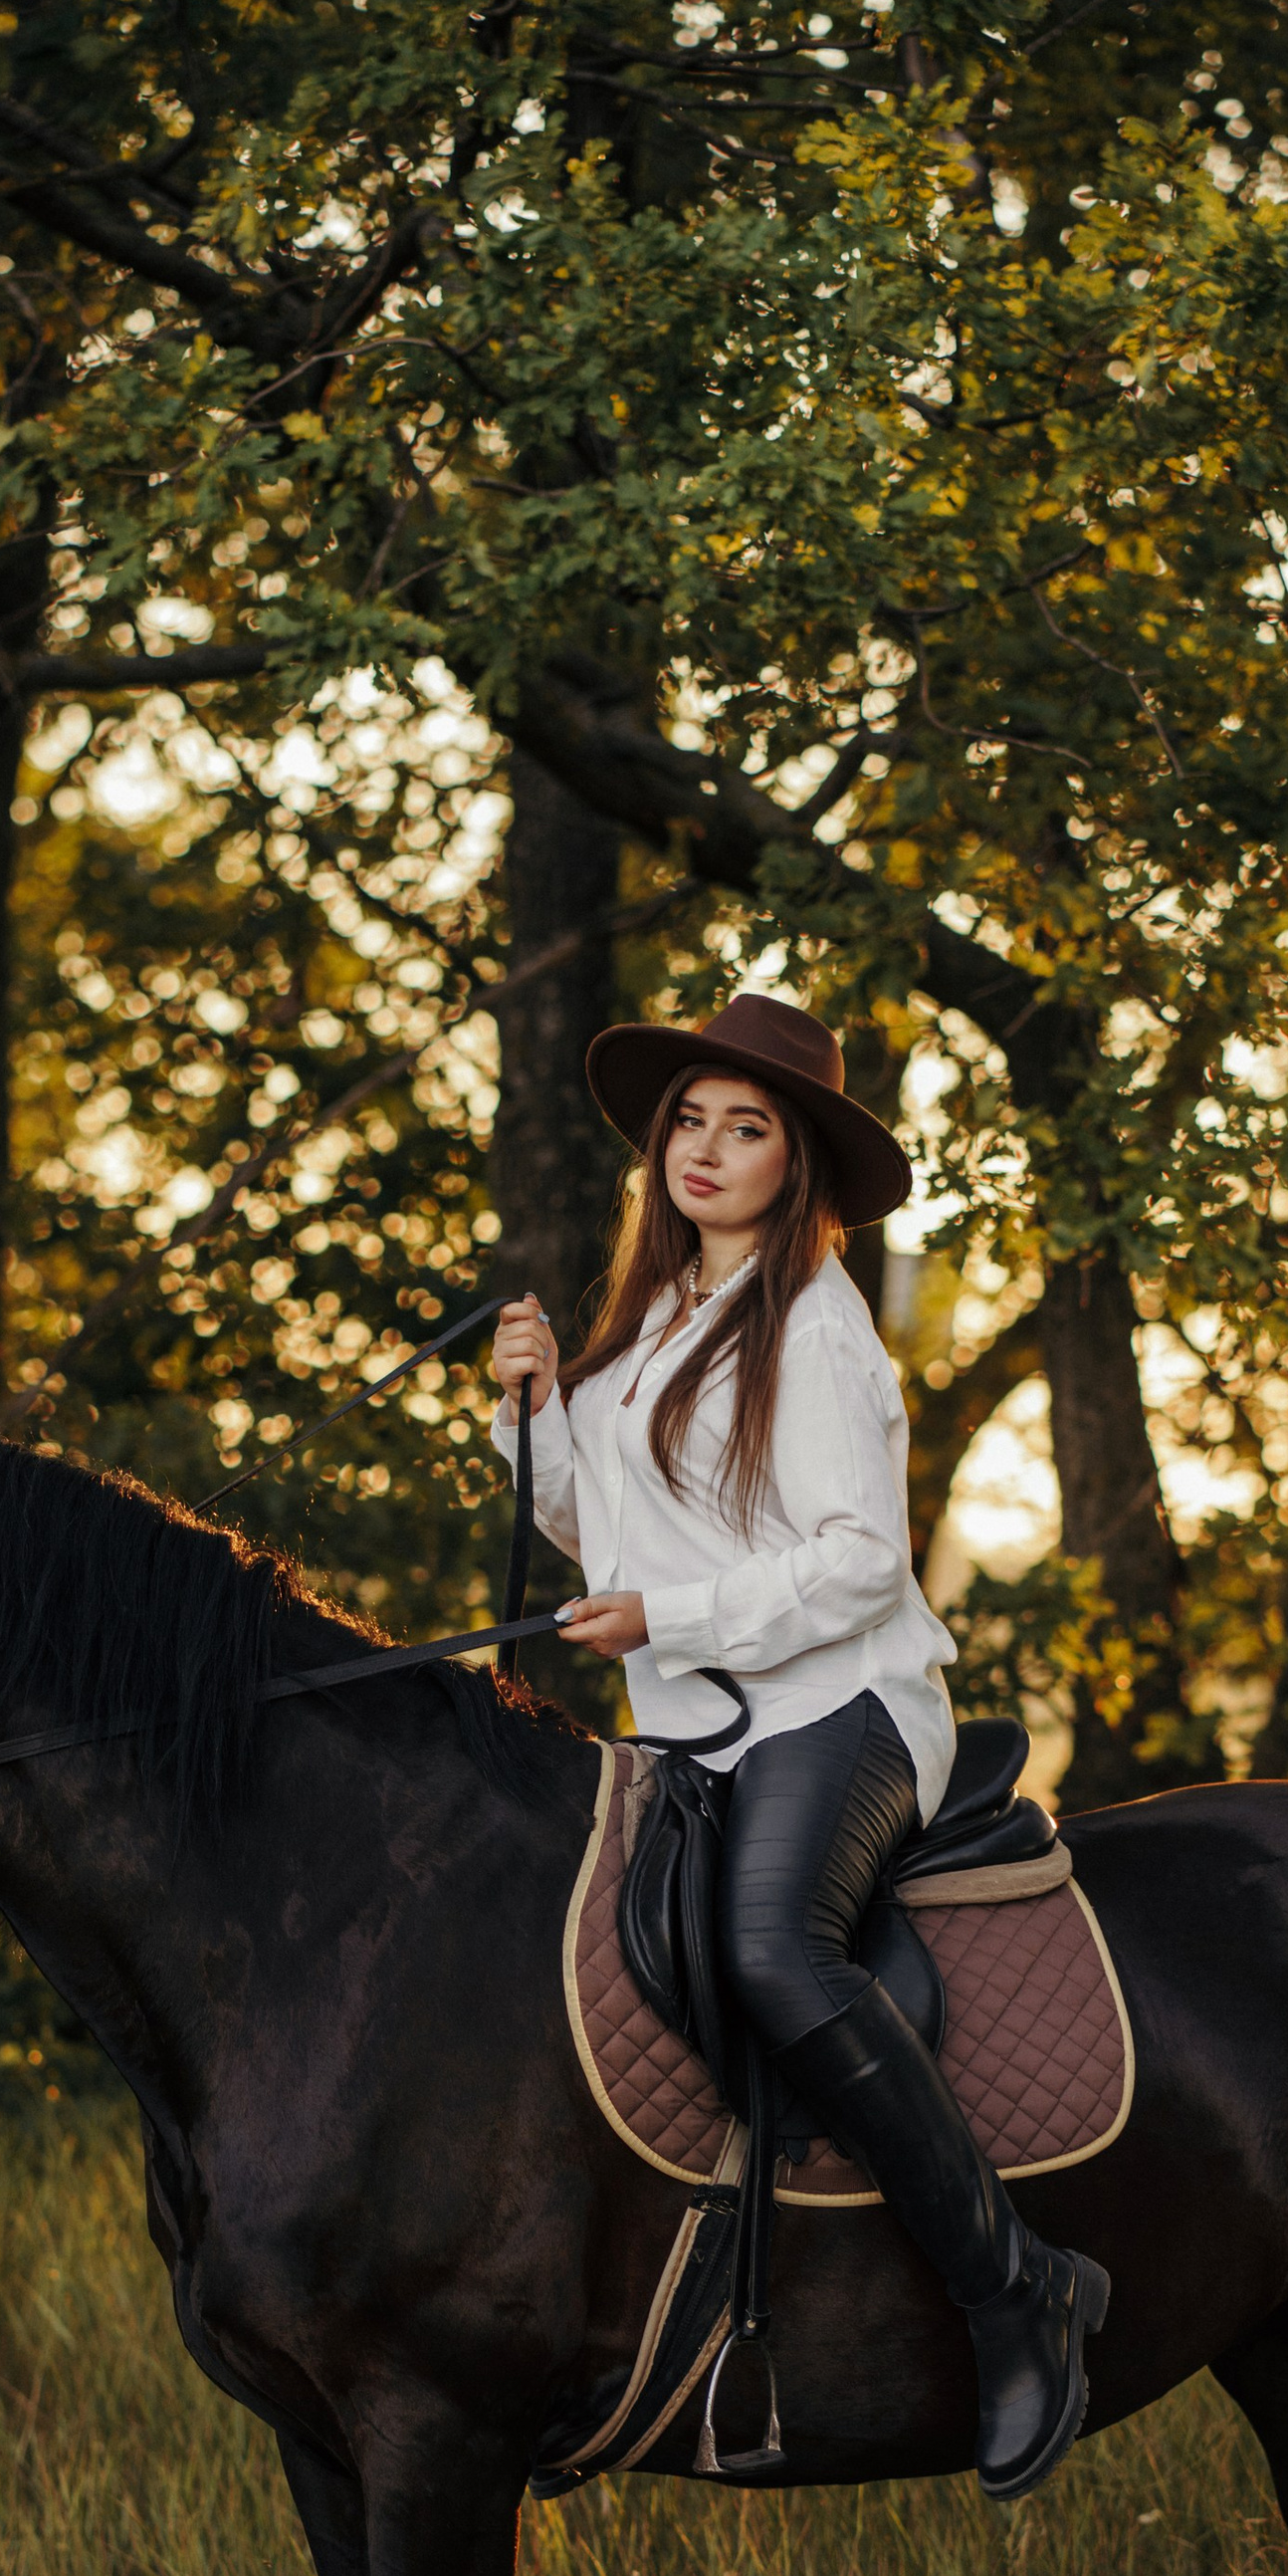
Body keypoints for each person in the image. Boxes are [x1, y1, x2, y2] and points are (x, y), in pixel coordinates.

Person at [492, 991, 1107, 2495]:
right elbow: (591, 1530)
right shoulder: (650, 1317)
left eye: (745, 1127)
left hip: (841, 1704)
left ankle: (1017, 2288)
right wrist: (526, 1411)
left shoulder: (818, 1329)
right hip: (707, 1717)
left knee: (774, 1945)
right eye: (689, 1120)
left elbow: (859, 1564)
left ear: (797, 1161)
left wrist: (669, 1614)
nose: (705, 1148)